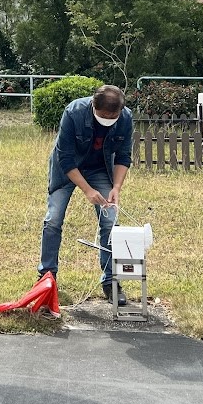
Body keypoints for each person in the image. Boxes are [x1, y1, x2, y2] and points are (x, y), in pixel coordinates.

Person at [38, 85, 134, 305]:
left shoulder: (126, 118)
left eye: (114, 116)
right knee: (53, 220)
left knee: (110, 223)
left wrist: (116, 187)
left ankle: (111, 281)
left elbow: (124, 154)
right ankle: (46, 278)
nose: (109, 120)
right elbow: (65, 158)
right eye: (104, 116)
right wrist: (87, 190)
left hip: (101, 169)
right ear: (93, 106)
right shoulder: (74, 113)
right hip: (67, 170)